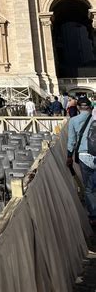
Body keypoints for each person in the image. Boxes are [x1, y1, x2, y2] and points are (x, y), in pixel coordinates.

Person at [67, 96, 96, 227]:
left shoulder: (73, 120)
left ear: (78, 107)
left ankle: (93, 216)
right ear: (90, 107)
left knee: (89, 188)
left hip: (84, 155)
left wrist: (69, 157)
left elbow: (71, 141)